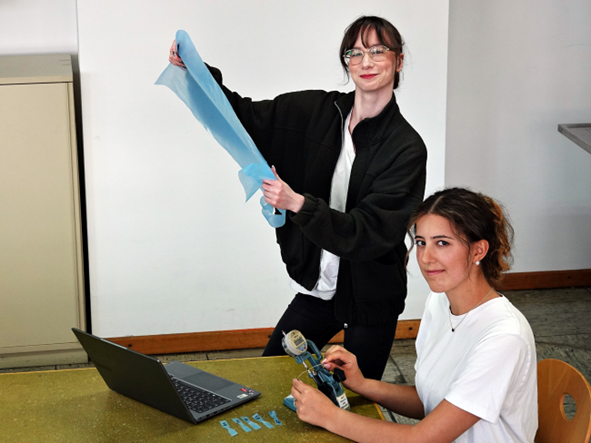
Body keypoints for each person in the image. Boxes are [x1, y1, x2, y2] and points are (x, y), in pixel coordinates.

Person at [169, 16, 427, 380]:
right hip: (317, 289)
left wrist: (298, 204)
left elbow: (368, 232)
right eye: (355, 53)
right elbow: (245, 117)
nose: (365, 61)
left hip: (370, 297)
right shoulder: (316, 112)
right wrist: (197, 72)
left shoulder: (407, 148)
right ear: (346, 62)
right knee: (272, 378)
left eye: (377, 50)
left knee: (359, 395)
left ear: (398, 60)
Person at [291, 187, 538, 442]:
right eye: (421, 243)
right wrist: (362, 384)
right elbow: (428, 400)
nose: (426, 257)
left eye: (442, 243)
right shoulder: (439, 303)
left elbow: (421, 439)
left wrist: (329, 416)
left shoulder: (504, 337)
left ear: (478, 250)